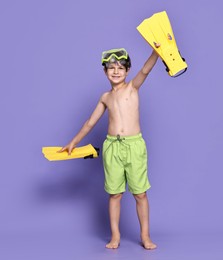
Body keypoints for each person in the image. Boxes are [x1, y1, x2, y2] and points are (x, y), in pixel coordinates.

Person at [60, 45, 159, 250]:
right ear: (105, 71)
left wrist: (156, 52)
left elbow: (146, 70)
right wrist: (74, 142)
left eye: (120, 68)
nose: (116, 71)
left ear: (127, 71)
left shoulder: (132, 88)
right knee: (115, 194)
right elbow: (90, 122)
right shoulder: (105, 97)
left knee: (140, 193)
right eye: (111, 68)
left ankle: (145, 236)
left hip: (134, 146)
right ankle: (115, 235)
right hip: (112, 147)